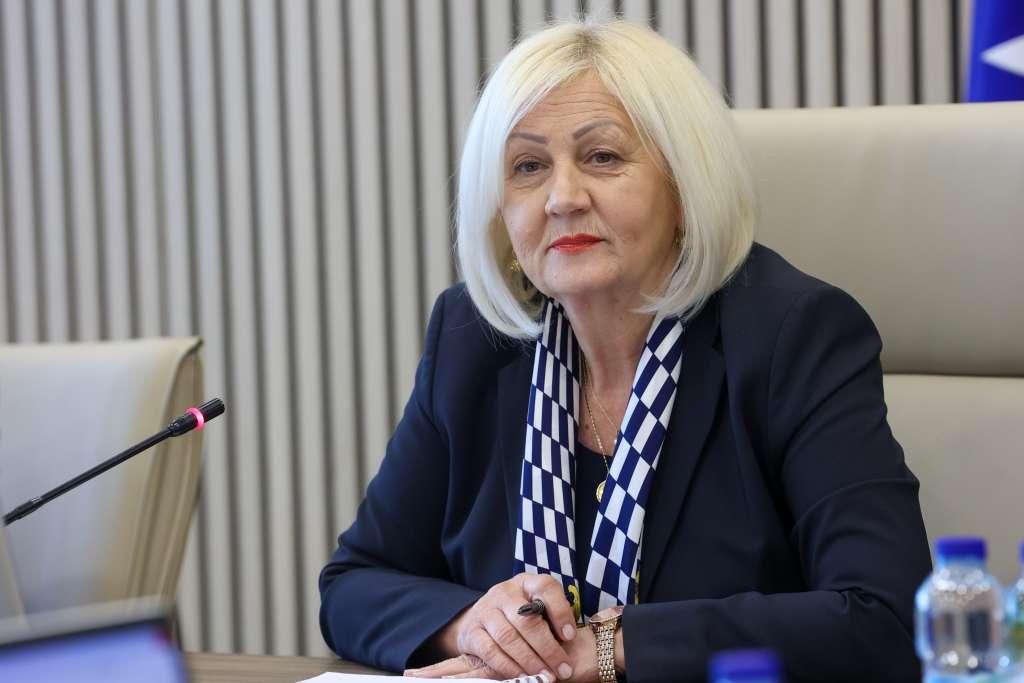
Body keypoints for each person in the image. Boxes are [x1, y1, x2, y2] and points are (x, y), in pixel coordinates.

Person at [319, 18, 931, 683]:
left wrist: (610, 645)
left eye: (603, 157)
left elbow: (887, 616)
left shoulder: (792, 336)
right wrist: (472, 625)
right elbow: (354, 583)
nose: (562, 198)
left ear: (684, 184)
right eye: (528, 167)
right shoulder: (474, 339)